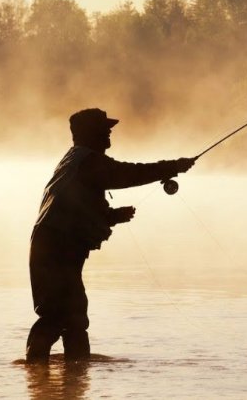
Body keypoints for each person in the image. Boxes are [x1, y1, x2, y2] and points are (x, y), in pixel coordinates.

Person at [25, 108, 195, 364]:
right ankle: (39, 373)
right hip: (56, 249)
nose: (109, 132)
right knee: (59, 315)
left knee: (73, 316)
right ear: (90, 133)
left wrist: (112, 216)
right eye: (104, 129)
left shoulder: (74, 161)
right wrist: (172, 167)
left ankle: (71, 377)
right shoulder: (89, 161)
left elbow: (76, 206)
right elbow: (128, 174)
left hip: (53, 247)